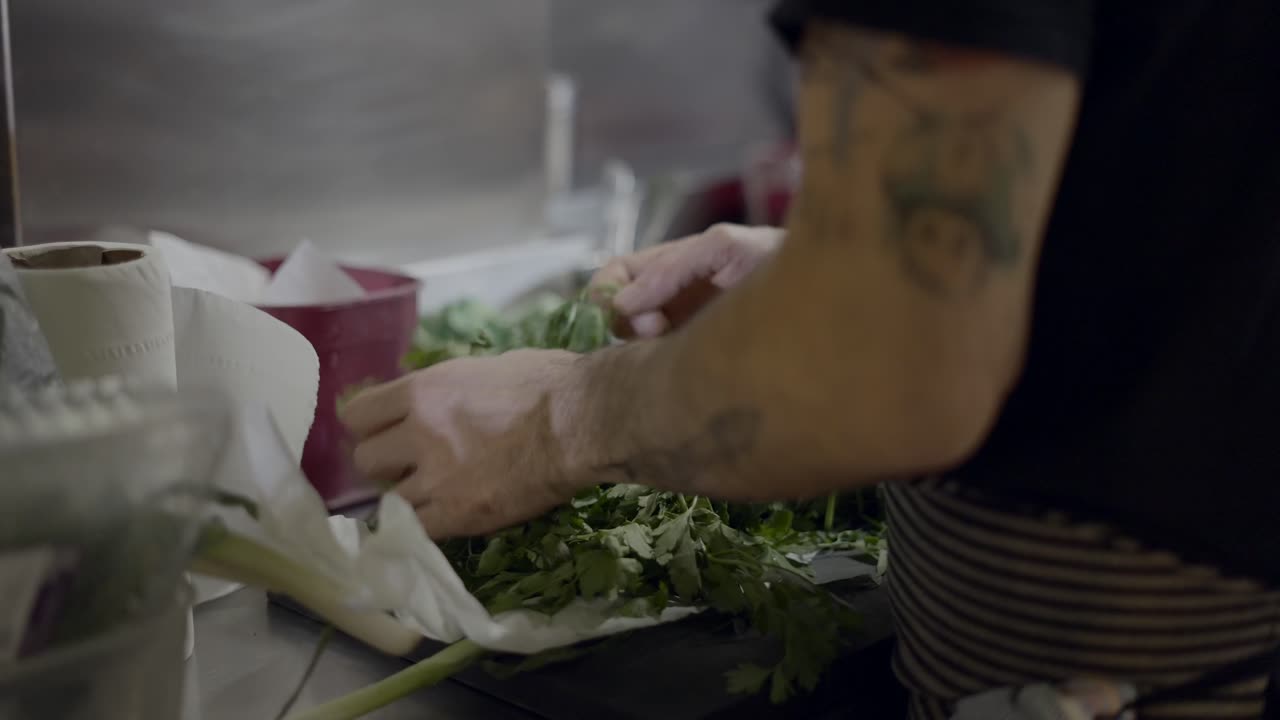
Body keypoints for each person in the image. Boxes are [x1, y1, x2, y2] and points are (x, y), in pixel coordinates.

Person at [340, 1, 1280, 717]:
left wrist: (559, 418)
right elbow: (1191, 176)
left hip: (1154, 665)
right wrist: (830, 271)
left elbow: (888, 372)